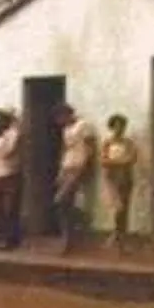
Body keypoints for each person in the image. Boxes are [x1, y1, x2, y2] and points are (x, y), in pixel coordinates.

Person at [53, 104, 98, 254]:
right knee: (66, 202)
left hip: (79, 165)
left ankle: (76, 229)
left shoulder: (83, 126)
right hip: (68, 165)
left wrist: (85, 167)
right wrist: (60, 170)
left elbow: (90, 147)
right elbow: (64, 149)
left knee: (60, 200)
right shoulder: (66, 130)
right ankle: (69, 236)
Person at [100, 114, 139, 249]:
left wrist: (117, 162)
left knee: (125, 206)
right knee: (117, 206)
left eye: (122, 126)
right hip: (112, 177)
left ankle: (122, 233)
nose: (119, 129)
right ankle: (116, 232)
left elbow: (132, 158)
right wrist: (119, 162)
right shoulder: (107, 142)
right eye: (116, 126)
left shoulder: (128, 142)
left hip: (125, 176)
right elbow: (103, 160)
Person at [0, 108, 24, 249]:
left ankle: (11, 239)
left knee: (10, 208)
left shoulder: (12, 134)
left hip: (11, 174)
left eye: (1, 119)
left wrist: (2, 137)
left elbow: (7, 152)